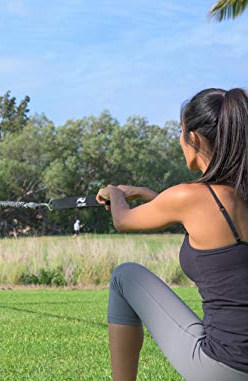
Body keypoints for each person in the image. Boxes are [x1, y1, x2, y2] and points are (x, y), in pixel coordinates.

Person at [96, 88, 248, 381]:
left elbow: (123, 221)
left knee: (124, 277)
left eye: (180, 132)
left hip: (226, 368)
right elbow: (205, 227)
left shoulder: (190, 198)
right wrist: (145, 194)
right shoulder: (237, 197)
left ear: (193, 138)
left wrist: (115, 194)